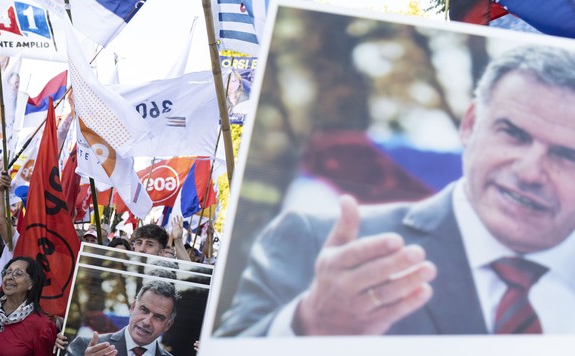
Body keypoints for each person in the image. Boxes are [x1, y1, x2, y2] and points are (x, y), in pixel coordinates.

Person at [214, 44, 575, 337]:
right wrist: (307, 325)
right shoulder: (315, 241)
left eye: (567, 155)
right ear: (470, 125)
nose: (530, 172)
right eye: (513, 133)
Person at [57, 280, 182, 356]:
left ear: (168, 325)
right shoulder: (86, 346)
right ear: (132, 307)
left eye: (158, 317)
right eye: (144, 310)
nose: (146, 321)